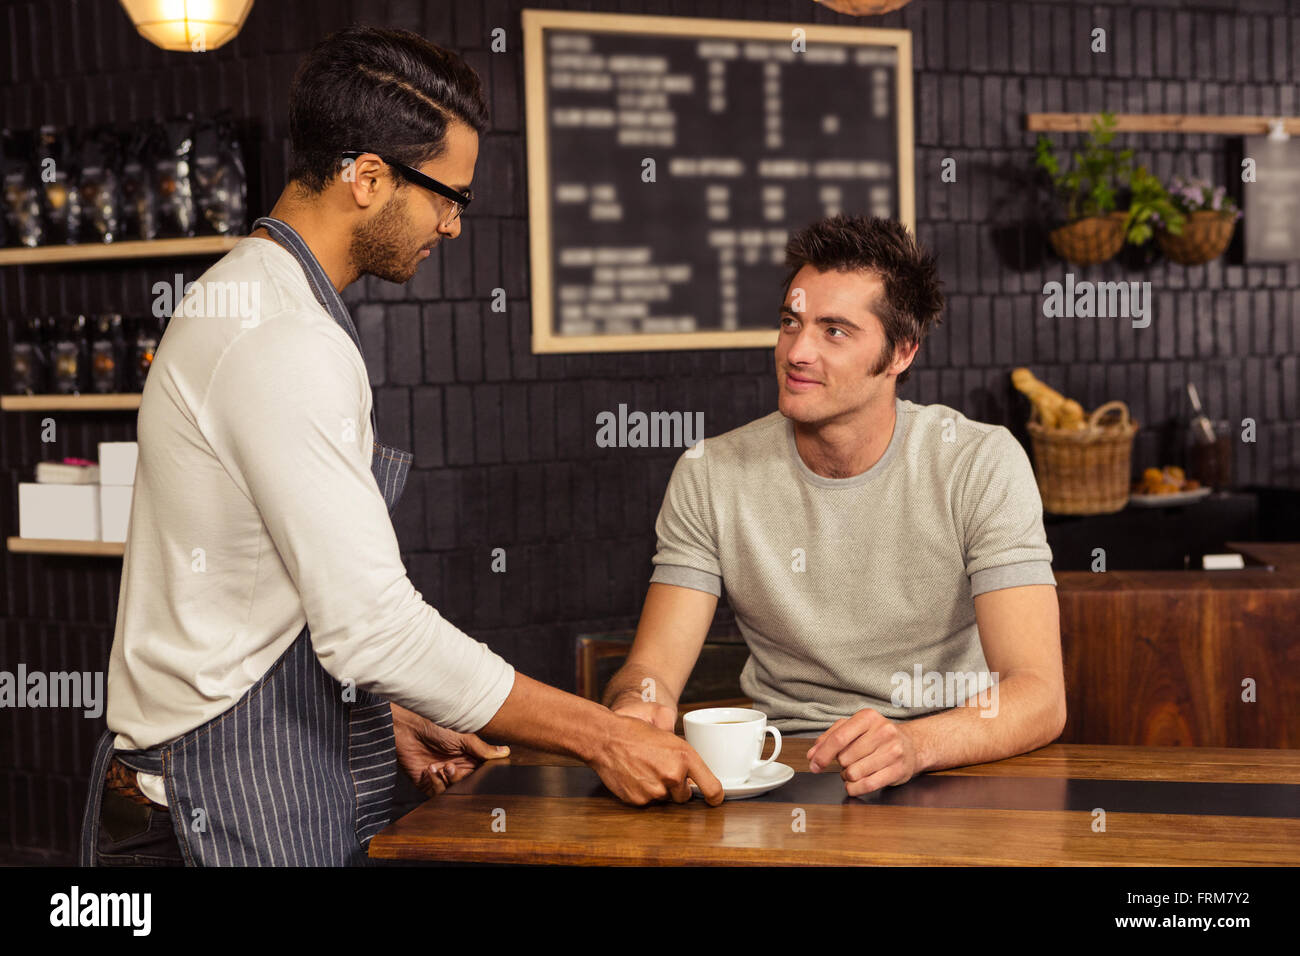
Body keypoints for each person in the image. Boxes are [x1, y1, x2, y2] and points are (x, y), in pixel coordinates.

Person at [81, 25, 722, 868]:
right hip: (222, 794)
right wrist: (602, 736)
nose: (453, 225)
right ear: (370, 178)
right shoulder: (283, 338)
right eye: (446, 195)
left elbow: (261, 595)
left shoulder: (255, 296)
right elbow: (374, 629)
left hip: (239, 766)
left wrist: (383, 713)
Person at [604, 215, 1066, 796]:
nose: (797, 351)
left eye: (835, 331)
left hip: (954, 760)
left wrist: (917, 744)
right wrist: (633, 710)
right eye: (790, 323)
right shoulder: (711, 474)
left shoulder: (979, 462)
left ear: (901, 352)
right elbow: (652, 672)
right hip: (787, 766)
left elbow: (1039, 695)